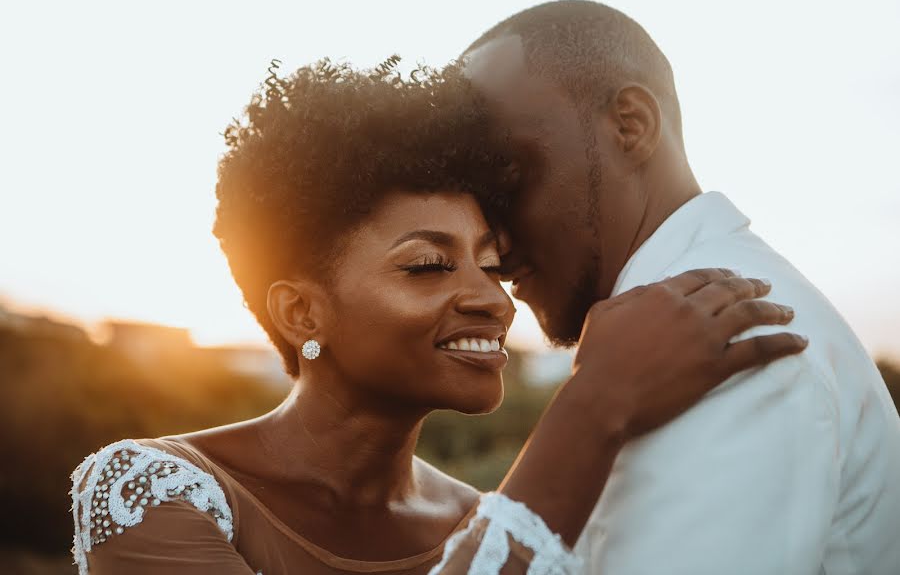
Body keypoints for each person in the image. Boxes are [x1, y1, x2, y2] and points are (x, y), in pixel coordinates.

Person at [69, 59, 805, 574]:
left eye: (492, 263)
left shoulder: (485, 520)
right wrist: (595, 403)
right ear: (299, 312)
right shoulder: (154, 490)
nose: (492, 299)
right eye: (427, 265)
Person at [462, 0, 900, 574]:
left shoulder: (729, 339)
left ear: (631, 125)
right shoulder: (668, 334)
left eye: (507, 180)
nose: (490, 244)